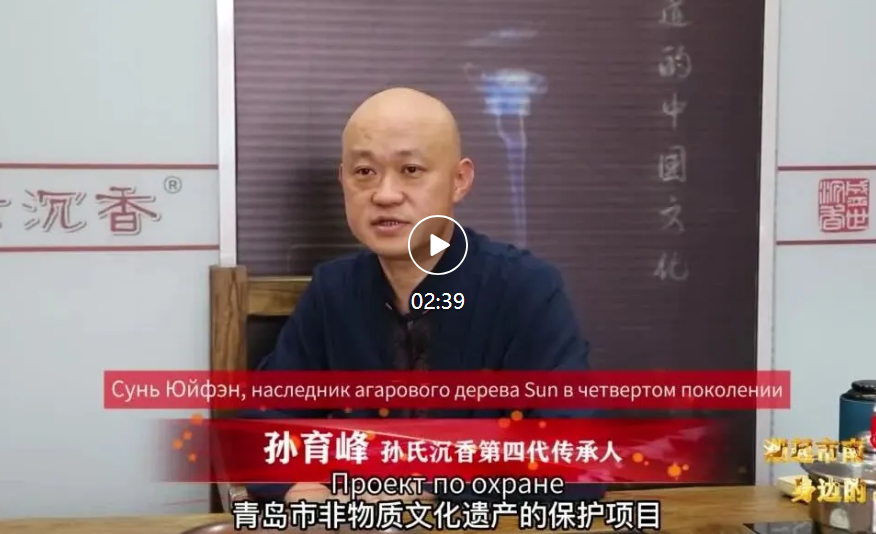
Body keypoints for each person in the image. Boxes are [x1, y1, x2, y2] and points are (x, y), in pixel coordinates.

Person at [244, 87, 603, 503]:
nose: (385, 194)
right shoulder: (333, 291)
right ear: (343, 180)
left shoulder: (524, 290)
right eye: (364, 172)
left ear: (459, 181)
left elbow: (576, 467)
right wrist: (297, 491)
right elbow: (260, 429)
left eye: (411, 170)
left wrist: (427, 495)